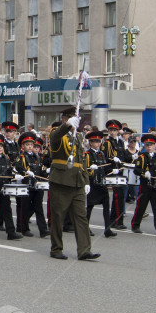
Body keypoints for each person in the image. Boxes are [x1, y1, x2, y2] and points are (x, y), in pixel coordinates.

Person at [47, 108, 99, 260]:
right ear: (65, 119)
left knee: (81, 217)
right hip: (61, 181)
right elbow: (55, 137)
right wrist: (66, 126)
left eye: (76, 118)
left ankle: (84, 250)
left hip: (77, 181)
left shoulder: (78, 136)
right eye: (71, 118)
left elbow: (82, 159)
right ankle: (56, 249)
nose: (75, 121)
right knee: (58, 216)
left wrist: (86, 180)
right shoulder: (57, 133)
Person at [130, 134, 156, 236]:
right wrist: (144, 173)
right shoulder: (142, 157)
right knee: (141, 206)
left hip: (154, 185)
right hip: (145, 186)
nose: (149, 147)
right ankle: (135, 225)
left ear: (154, 145)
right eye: (147, 145)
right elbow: (136, 170)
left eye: (151, 145)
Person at [14, 132, 51, 238]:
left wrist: (47, 171)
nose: (30, 147)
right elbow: (17, 166)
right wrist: (26, 171)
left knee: (38, 208)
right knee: (25, 207)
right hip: (26, 185)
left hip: (37, 185)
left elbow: (40, 171)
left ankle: (43, 230)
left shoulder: (38, 157)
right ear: (23, 146)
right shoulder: (21, 156)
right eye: (27, 145)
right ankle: (23, 228)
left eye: (31, 145)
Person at [84, 130, 116, 238]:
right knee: (89, 207)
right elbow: (84, 170)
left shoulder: (101, 154)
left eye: (99, 141)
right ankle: (85, 228)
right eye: (95, 142)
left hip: (102, 184)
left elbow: (105, 168)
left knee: (106, 207)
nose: (97, 144)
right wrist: (90, 170)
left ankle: (108, 229)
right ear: (90, 142)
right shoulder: (87, 155)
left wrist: (112, 170)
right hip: (92, 184)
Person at [101, 119, 127, 229]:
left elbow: (123, 156)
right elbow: (104, 157)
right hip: (111, 171)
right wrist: (112, 161)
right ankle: (116, 221)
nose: (112, 132)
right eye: (110, 130)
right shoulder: (107, 143)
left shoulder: (120, 142)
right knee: (117, 195)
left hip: (119, 170)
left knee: (121, 196)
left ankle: (117, 220)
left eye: (114, 130)